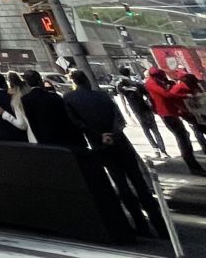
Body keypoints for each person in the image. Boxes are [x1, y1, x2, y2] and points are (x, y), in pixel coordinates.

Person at [66, 70, 166, 240]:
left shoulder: (69, 98)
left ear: (74, 82)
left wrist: (100, 136)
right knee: (139, 182)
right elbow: (119, 118)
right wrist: (113, 133)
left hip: (101, 146)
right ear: (87, 80)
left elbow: (77, 123)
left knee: (121, 184)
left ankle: (140, 225)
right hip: (120, 142)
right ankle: (161, 227)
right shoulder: (103, 96)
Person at [146, 65, 204, 173]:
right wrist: (185, 94)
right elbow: (167, 95)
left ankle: (194, 166)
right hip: (167, 114)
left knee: (185, 136)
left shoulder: (157, 81)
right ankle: (193, 167)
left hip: (173, 112)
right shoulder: (151, 83)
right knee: (183, 138)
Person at [20, 69, 86, 149]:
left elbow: (33, 122)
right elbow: (67, 116)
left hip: (47, 137)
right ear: (40, 80)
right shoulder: (54, 96)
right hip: (66, 135)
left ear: (27, 82)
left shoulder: (26, 99)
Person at [117, 65, 167, 158]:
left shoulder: (121, 85)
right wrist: (151, 105)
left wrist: (126, 110)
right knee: (155, 130)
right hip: (146, 108)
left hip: (137, 111)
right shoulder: (137, 84)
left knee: (147, 130)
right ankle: (163, 151)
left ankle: (156, 150)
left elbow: (121, 96)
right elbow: (148, 95)